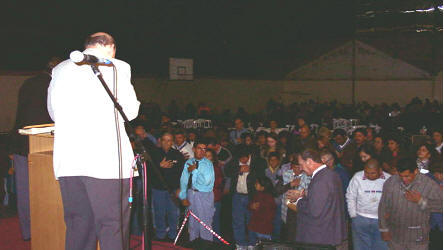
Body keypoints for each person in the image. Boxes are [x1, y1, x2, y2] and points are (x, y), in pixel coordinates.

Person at [47, 32, 140, 250]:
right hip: (106, 164)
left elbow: (53, 113)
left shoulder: (59, 69)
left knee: (79, 227)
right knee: (112, 228)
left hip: (69, 163)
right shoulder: (117, 66)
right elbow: (131, 111)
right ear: (111, 47)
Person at [10, 56, 61, 241]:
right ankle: (45, 230)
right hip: (43, 145)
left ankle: (27, 232)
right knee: (45, 192)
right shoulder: (54, 85)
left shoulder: (29, 83)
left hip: (21, 144)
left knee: (25, 192)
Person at [286, 149, 347, 249]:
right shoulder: (331, 174)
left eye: (301, 164)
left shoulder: (320, 180)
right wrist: (305, 194)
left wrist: (298, 201)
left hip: (318, 236)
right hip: (328, 233)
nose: (301, 168)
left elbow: (315, 211)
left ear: (309, 161)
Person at [378, 158, 443, 250]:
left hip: (418, 237)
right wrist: (384, 229)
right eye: (401, 176)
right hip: (396, 236)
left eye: (407, 176)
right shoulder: (390, 183)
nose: (404, 179)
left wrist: (421, 201)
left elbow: (441, 206)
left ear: (416, 171)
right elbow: (383, 207)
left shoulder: (429, 184)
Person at [224, 145, 267, 249]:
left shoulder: (258, 162)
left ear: (249, 155)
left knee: (252, 220)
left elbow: (263, 175)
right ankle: (240, 244)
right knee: (237, 221)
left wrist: (251, 169)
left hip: (251, 196)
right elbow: (227, 171)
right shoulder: (234, 162)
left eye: (245, 158)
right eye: (240, 159)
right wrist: (238, 169)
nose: (243, 160)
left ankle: (252, 243)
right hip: (237, 196)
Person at [346, 159, 390, 250]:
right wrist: (353, 214)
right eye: (367, 173)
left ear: (380, 171)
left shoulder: (389, 179)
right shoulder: (357, 177)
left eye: (373, 173)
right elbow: (350, 196)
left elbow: (393, 199)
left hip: (381, 221)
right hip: (360, 218)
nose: (369, 175)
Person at [178, 139, 215, 244]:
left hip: (204, 195)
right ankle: (193, 243)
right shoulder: (189, 162)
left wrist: (195, 170)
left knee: (205, 221)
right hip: (191, 194)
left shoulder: (208, 164)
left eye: (204, 149)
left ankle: (206, 244)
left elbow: (207, 182)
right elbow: (184, 180)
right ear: (194, 149)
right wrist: (183, 196)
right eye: (200, 148)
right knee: (192, 221)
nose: (202, 151)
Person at [150, 132, 184, 241]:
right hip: (158, 189)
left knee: (173, 212)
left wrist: (180, 188)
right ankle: (160, 233)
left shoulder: (177, 155)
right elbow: (148, 172)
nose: (166, 142)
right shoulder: (154, 154)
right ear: (160, 141)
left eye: (169, 140)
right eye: (164, 140)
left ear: (172, 142)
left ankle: (173, 234)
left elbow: (182, 173)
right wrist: (159, 166)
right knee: (159, 212)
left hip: (173, 190)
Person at [247, 177, 276, 248]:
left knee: (264, 246)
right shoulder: (257, 194)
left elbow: (269, 215)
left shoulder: (269, 198)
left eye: (257, 183)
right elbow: (250, 206)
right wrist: (251, 206)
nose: (255, 185)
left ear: (263, 187)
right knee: (253, 245)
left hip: (263, 229)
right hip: (254, 227)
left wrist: (258, 206)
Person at [205, 148, 224, 240]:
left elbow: (217, 183)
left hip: (213, 198)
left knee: (215, 221)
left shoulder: (216, 168)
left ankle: (216, 242)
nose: (206, 158)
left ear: (212, 158)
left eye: (208, 156)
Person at [264, 152, 282, 240]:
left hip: (278, 201)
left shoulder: (281, 171)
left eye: (275, 160)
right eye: (271, 160)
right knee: (268, 222)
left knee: (277, 223)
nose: (273, 162)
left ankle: (276, 241)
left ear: (278, 161)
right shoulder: (265, 171)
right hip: (268, 201)